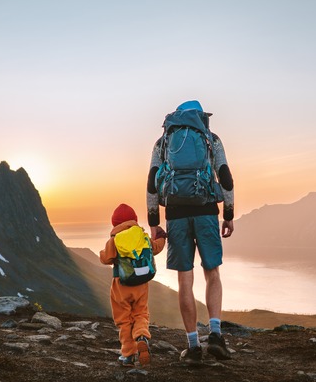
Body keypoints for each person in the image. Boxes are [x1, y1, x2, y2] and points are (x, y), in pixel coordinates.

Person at [146, 100, 235, 362]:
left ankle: (193, 346)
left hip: (175, 214)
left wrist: (154, 222)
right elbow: (225, 175)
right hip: (207, 210)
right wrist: (228, 214)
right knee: (212, 272)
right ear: (201, 117)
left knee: (185, 279)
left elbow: (152, 182)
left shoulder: (163, 142)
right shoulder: (211, 138)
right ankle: (216, 336)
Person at [99, 203, 166, 366]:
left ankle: (128, 355)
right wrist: (162, 236)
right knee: (141, 313)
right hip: (141, 284)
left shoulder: (115, 240)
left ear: (115, 223)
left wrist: (106, 253)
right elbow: (156, 247)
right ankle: (142, 336)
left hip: (121, 285)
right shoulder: (141, 236)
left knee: (124, 320)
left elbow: (105, 259)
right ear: (134, 220)